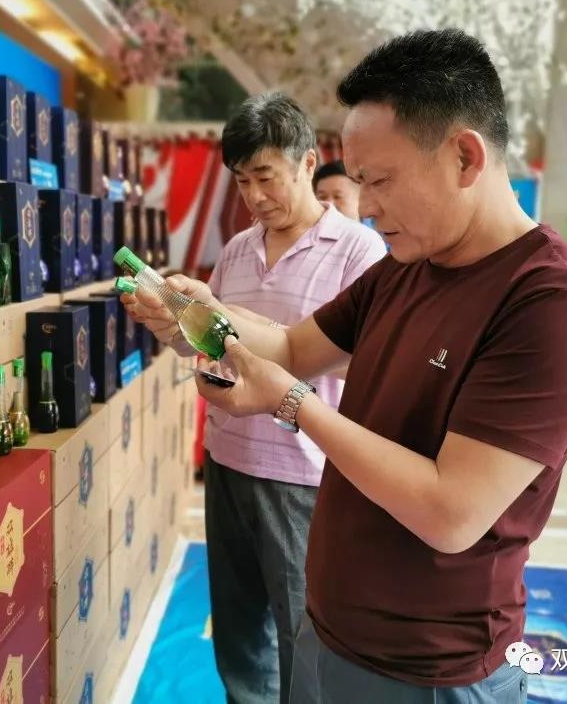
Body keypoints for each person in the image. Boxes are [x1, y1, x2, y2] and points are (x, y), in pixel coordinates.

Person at [123, 28, 567, 703]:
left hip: (429, 666)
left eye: (380, 181)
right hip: (334, 629)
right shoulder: (407, 266)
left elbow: (450, 511)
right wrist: (203, 316)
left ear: (465, 156)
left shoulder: (551, 302)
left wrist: (292, 402)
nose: (367, 206)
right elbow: (294, 348)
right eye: (360, 182)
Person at [173, 92, 385, 704]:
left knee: (304, 634)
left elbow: (365, 358)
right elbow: (208, 338)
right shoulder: (237, 250)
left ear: (307, 162)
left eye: (266, 177)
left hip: (302, 473)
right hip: (226, 459)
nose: (255, 196)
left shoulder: (359, 250)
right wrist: (171, 323)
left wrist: (262, 343)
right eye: (242, 181)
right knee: (238, 633)